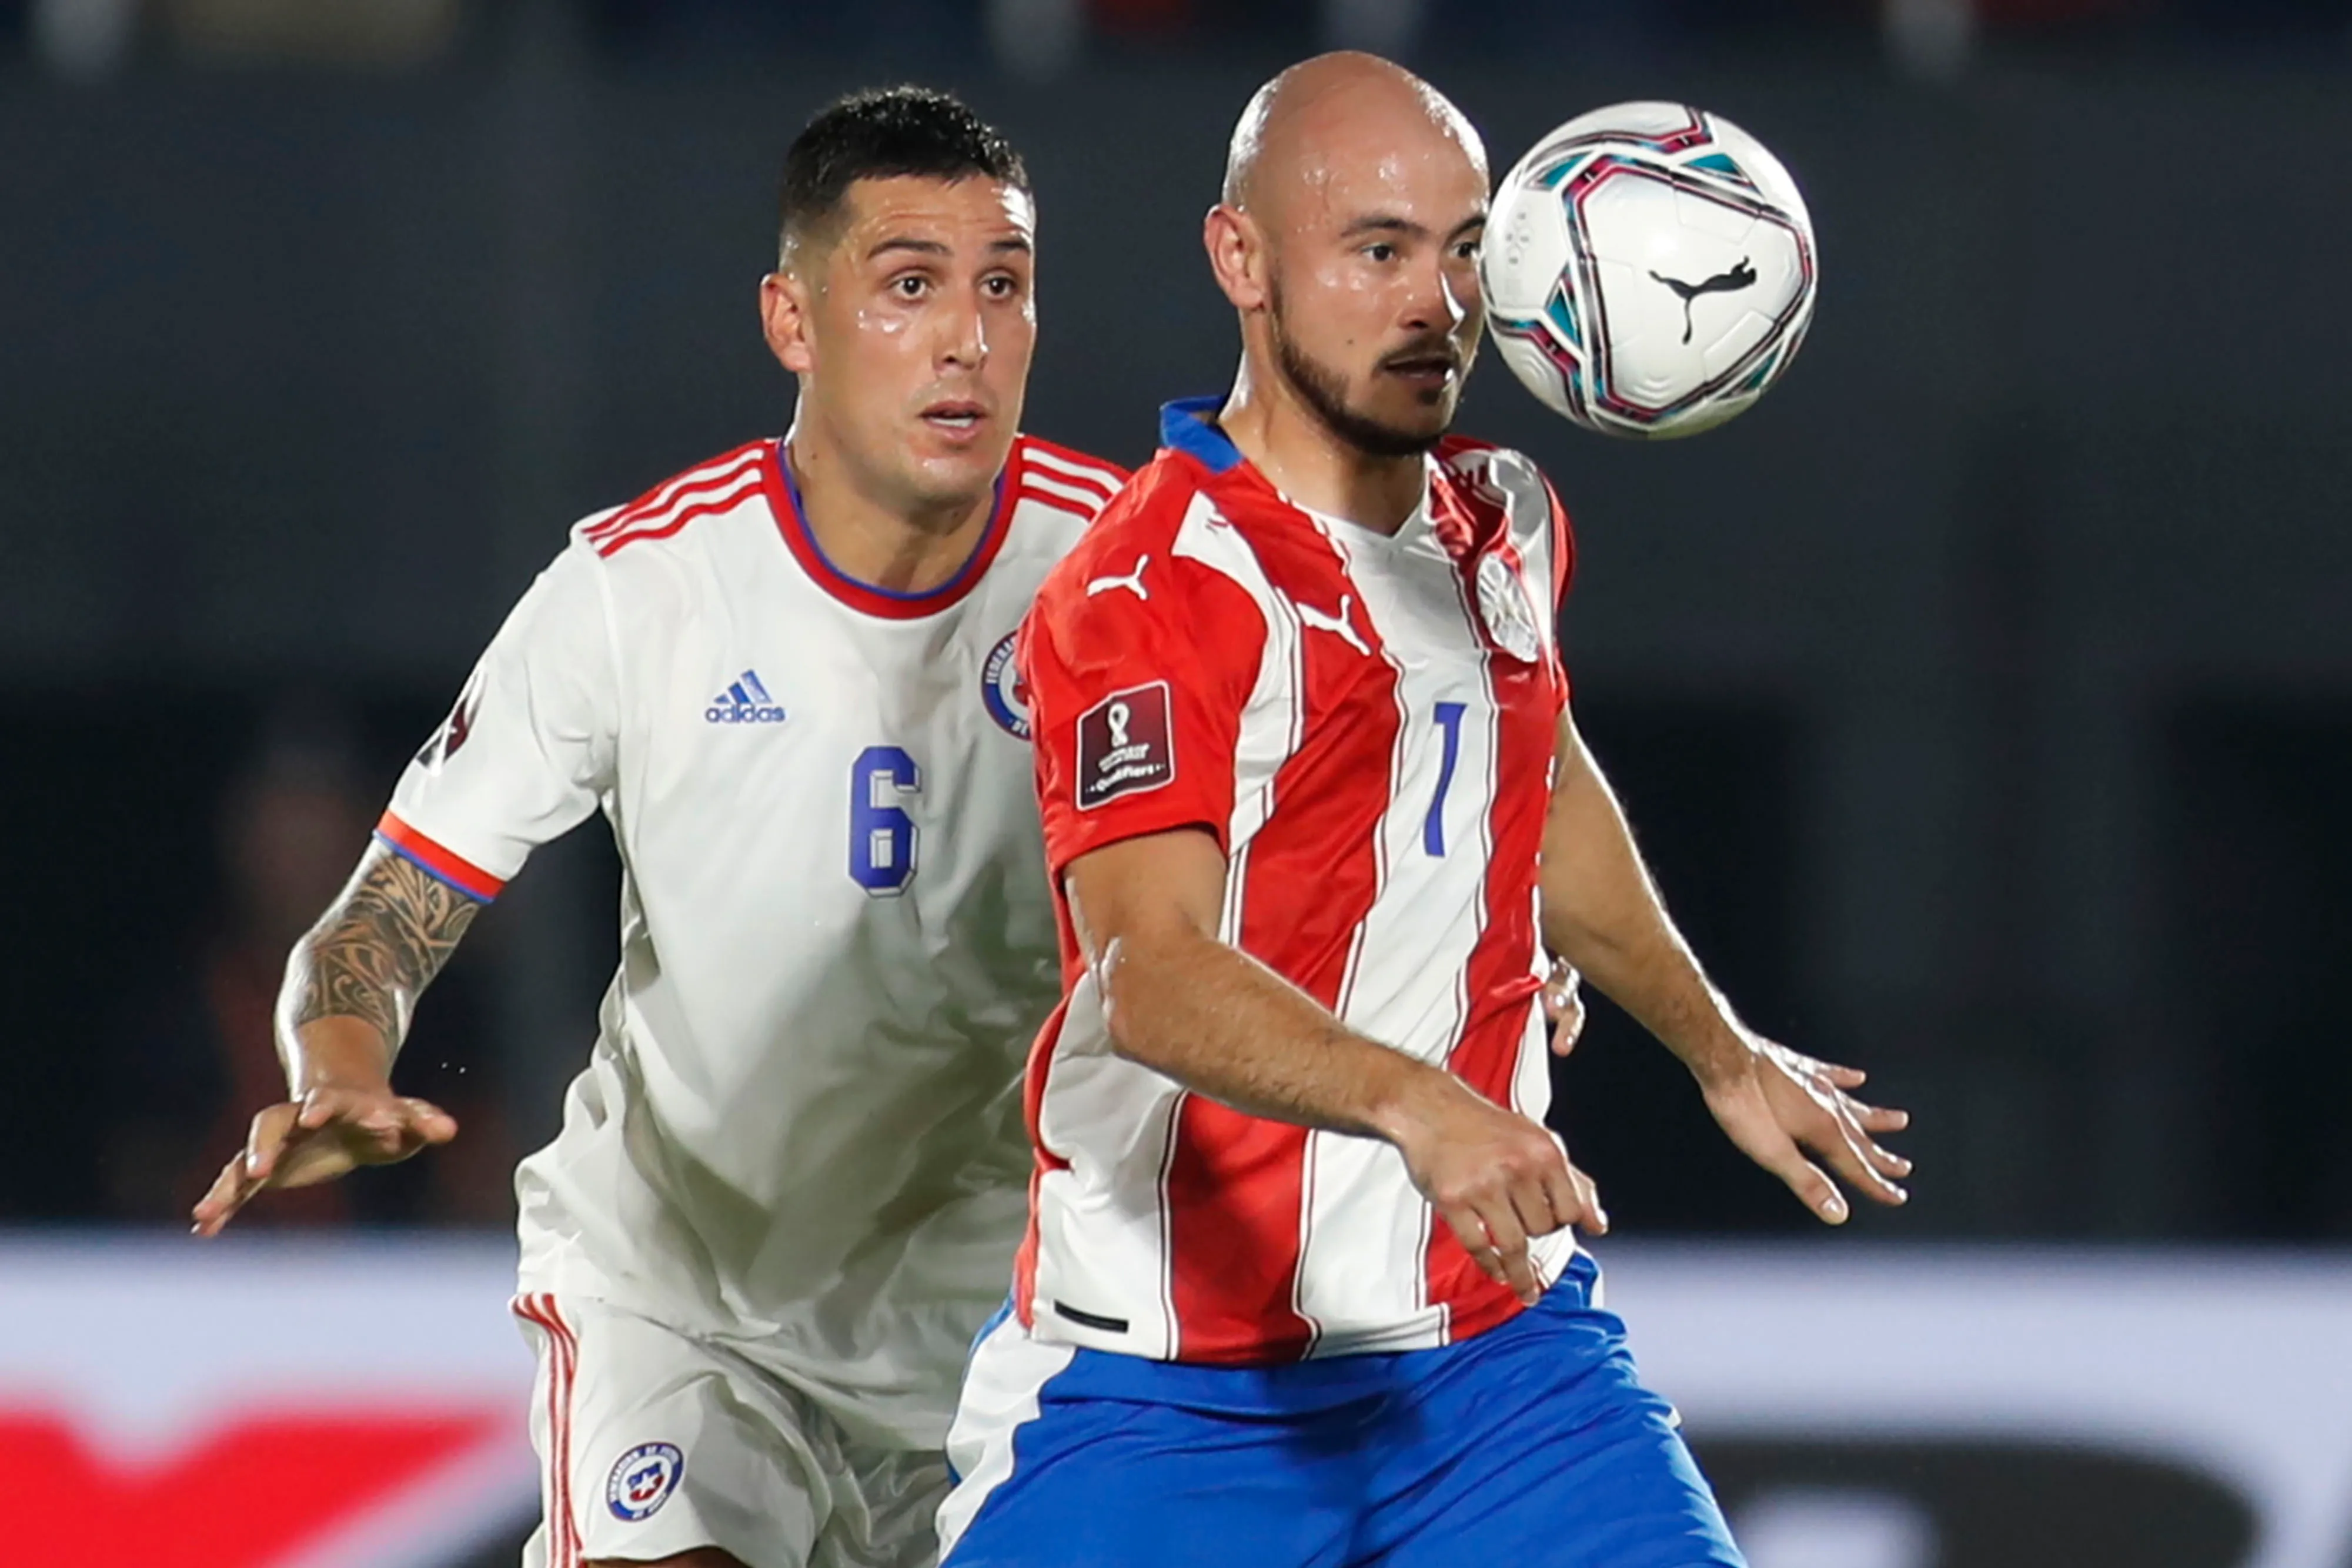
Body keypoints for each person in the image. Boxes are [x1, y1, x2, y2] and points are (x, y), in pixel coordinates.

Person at [936, 53, 1913, 1568]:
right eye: (1377, 250)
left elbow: (1542, 781)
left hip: (1496, 1369)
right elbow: (1149, 975)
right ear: (1241, 259)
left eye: (1463, 250)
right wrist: (1421, 1101)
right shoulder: (1150, 590)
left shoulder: (1501, 520)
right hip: (1170, 1394)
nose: (1436, 304)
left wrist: (1717, 1049)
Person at [190, 88, 1132, 1568]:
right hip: (689, 1311)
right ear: (790, 321)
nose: (966, 336)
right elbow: (381, 915)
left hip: (1015, 1335)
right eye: (908, 285)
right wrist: (341, 1068)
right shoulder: (641, 593)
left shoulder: (1133, 576)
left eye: (1001, 285)